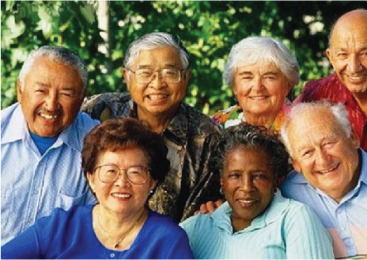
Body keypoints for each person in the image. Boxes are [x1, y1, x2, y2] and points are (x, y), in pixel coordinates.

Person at [0, 118, 194, 259]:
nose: (121, 182)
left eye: (135, 172)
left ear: (152, 181)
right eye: (110, 170)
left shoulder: (169, 241)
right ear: (91, 177)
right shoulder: (60, 227)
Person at [81, 32, 222, 222]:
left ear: (186, 77)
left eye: (170, 73)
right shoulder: (98, 111)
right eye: (145, 73)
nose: (157, 84)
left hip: (170, 246)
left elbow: (208, 212)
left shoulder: (208, 138)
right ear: (126, 76)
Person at [180, 123, 334, 259]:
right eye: (235, 176)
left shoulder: (294, 218)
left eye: (259, 176)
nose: (247, 187)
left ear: (276, 179)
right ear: (222, 179)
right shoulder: (198, 226)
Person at [280, 101, 367, 259]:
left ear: (353, 137)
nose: (322, 159)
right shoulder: (286, 192)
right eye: (307, 152)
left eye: (329, 143)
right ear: (296, 164)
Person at [0, 46, 99, 246]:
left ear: (81, 98)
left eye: (66, 94)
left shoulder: (98, 145)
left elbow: (101, 228)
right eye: (41, 91)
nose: (51, 104)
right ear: (20, 90)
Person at [297, 9, 367, 166]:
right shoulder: (314, 97)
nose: (354, 68)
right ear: (331, 57)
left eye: (365, 54)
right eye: (343, 55)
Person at [212, 36, 299, 133]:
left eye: (269, 77)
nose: (257, 87)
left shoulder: (303, 126)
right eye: (247, 77)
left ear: (287, 85)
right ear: (234, 86)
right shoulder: (217, 126)